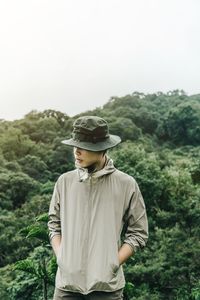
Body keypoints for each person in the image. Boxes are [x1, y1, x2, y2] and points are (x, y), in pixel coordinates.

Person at [48, 116, 148, 300]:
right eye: (75, 145)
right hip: (66, 288)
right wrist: (61, 256)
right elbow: (54, 224)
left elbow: (139, 232)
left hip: (106, 289)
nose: (76, 151)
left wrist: (112, 263)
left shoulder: (126, 184)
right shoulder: (64, 182)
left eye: (84, 146)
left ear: (103, 149)